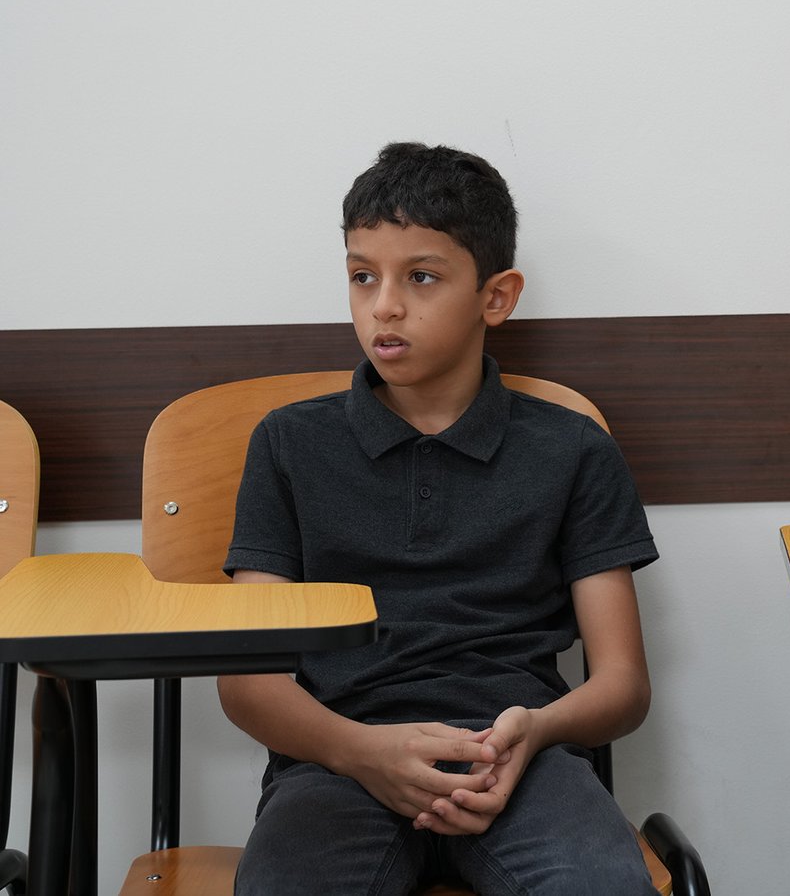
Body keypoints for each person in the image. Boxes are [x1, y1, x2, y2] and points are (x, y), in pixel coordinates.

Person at [217, 143, 659, 895]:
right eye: (363, 276)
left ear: (496, 296)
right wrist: (361, 752)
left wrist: (536, 731)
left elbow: (623, 684)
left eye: (420, 277)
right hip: (336, 758)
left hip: (518, 759)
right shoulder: (289, 444)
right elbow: (247, 681)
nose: (384, 306)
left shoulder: (573, 449)